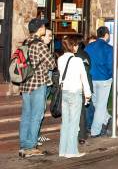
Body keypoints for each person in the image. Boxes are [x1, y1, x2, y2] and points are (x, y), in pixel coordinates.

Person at [18, 18, 56, 158]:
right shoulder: (40, 45)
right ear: (40, 29)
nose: (45, 28)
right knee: (36, 116)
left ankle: (23, 145)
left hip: (26, 84)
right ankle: (30, 146)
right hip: (38, 84)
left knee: (26, 115)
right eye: (44, 26)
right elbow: (52, 64)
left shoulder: (25, 42)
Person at [58, 35, 91, 158]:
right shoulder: (77, 60)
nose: (78, 46)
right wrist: (87, 95)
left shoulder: (60, 59)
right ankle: (71, 151)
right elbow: (84, 79)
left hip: (65, 92)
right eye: (76, 44)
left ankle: (63, 150)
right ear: (73, 46)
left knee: (65, 122)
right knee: (74, 123)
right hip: (75, 93)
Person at [84, 26, 113, 138]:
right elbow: (111, 66)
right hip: (104, 79)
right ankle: (95, 131)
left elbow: (86, 63)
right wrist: (110, 75)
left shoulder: (89, 47)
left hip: (92, 78)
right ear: (106, 35)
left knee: (96, 103)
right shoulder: (109, 48)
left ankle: (106, 119)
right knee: (100, 105)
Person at [76, 38, 93, 144]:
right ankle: (83, 134)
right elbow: (87, 71)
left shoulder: (78, 56)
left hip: (78, 86)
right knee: (82, 111)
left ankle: (81, 134)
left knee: (81, 111)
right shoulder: (84, 55)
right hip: (82, 85)